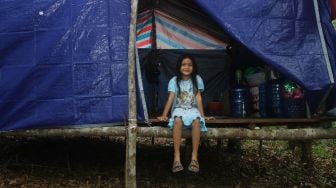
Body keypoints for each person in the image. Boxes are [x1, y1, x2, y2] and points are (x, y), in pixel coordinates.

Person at [157, 54, 212, 173]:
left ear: (194, 67)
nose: (187, 67)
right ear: (179, 66)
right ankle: (176, 157)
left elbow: (198, 98)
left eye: (190, 65)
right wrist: (164, 114)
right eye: (184, 64)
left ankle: (194, 157)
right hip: (179, 108)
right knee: (177, 120)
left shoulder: (197, 79)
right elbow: (171, 98)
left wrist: (203, 116)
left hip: (193, 109)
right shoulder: (174, 80)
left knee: (197, 121)